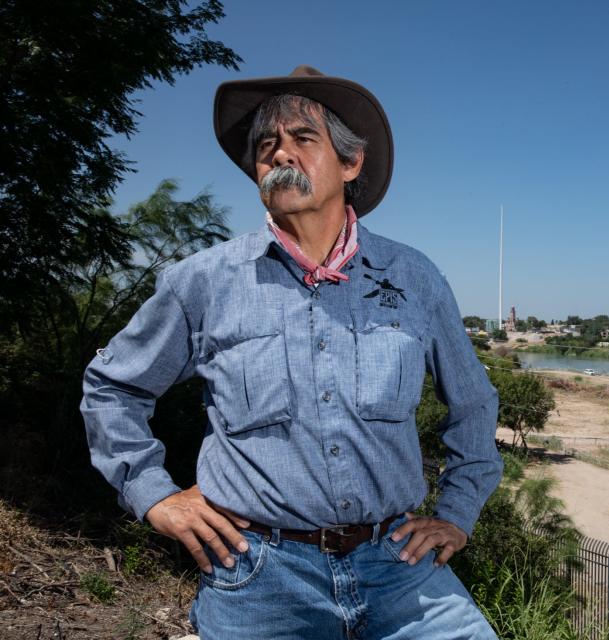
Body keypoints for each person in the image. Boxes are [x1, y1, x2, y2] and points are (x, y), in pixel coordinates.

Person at [80, 65, 502, 639]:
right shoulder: (203, 282)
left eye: (303, 139)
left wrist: (456, 514)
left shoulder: (414, 278)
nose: (281, 154)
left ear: (350, 164)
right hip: (260, 575)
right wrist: (154, 494)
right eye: (266, 145)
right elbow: (113, 387)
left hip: (399, 567)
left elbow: (474, 403)